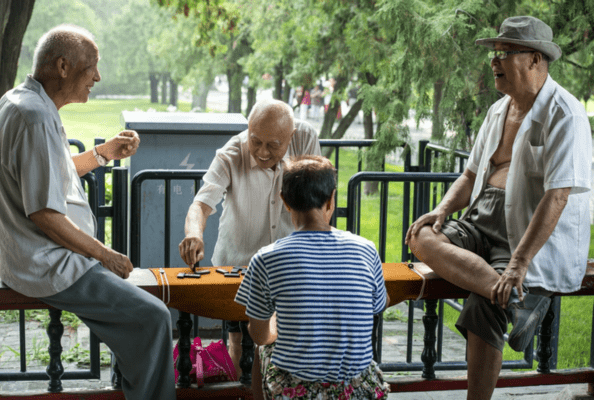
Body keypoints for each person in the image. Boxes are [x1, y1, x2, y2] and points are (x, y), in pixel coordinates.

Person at [405, 16, 591, 400]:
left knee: (482, 309)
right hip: (481, 215)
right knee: (422, 235)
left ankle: (502, 293)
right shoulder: (497, 110)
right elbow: (471, 174)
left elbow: (556, 196)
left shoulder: (565, 113)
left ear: (536, 60)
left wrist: (519, 264)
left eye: (506, 53)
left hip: (528, 227)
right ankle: (506, 293)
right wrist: (442, 209)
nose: (494, 61)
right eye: (495, 52)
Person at [0, 25, 176, 400]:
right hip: (49, 262)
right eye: (91, 66)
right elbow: (44, 213)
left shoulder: (20, 101)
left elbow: (47, 174)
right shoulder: (36, 117)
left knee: (137, 320)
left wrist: (103, 153)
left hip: (28, 258)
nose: (97, 76)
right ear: (63, 66)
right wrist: (103, 254)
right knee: (154, 317)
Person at [179, 99, 321, 376]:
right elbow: (201, 205)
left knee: (288, 345)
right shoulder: (231, 153)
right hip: (238, 264)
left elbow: (317, 200)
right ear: (248, 129)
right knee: (240, 344)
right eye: (256, 141)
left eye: (273, 145)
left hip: (290, 267)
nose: (262, 152)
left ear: (290, 137)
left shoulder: (305, 139)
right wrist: (194, 234)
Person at [235, 155, 391, 399]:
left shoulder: (266, 258)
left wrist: (276, 324)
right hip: (358, 388)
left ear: (284, 200)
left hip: (298, 390)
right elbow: (380, 304)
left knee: (260, 350)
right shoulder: (366, 249)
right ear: (331, 198)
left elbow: (258, 334)